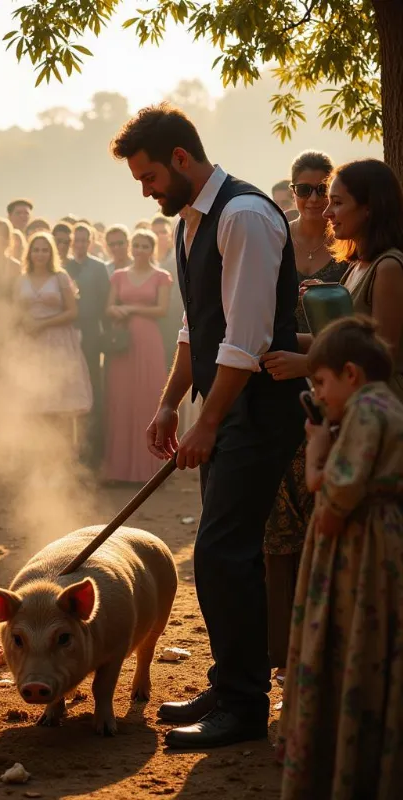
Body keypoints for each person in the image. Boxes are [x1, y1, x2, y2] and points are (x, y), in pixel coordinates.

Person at [111, 102, 306, 747]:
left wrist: (209, 420)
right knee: (223, 557)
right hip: (223, 407)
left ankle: (245, 706)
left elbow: (245, 341)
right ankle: (231, 682)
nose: (145, 190)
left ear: (182, 159)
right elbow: (198, 327)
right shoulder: (189, 221)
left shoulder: (246, 215)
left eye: (149, 177)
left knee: (227, 553)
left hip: (258, 410)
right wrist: (171, 403)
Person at [277, 316, 403, 799]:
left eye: (321, 382)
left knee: (352, 645)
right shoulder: (387, 406)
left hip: (360, 553)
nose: (320, 394)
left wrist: (316, 449)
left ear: (351, 373)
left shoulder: (365, 413)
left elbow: (330, 501)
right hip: (381, 546)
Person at [260, 151, 346, 685]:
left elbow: (362, 333)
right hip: (274, 397)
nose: (314, 199)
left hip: (332, 399)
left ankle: (323, 651)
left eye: (323, 189)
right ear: (291, 191)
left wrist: (300, 352)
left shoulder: (349, 248)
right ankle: (279, 654)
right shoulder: (276, 241)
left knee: (324, 523)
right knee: (276, 533)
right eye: (304, 189)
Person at [323, 159, 403, 399]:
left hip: (380, 408)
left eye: (337, 203)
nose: (327, 213)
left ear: (369, 208)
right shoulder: (357, 265)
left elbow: (380, 356)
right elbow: (337, 340)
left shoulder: (388, 267)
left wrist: (306, 363)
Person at [102, 230, 172, 484]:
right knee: (121, 400)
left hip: (148, 341)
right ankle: (119, 470)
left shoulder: (161, 276)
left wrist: (130, 308)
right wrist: (116, 310)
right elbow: (108, 307)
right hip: (123, 343)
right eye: (137, 245)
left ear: (152, 249)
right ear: (131, 248)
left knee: (147, 399)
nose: (141, 249)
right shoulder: (118, 276)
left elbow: (162, 310)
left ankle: (149, 468)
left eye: (145, 245)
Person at [14, 232, 92, 447]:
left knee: (59, 400)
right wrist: (26, 323)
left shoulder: (60, 277)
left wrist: (43, 323)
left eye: (44, 250)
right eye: (36, 249)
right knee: (33, 400)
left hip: (57, 341)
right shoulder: (21, 279)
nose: (40, 254)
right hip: (30, 343)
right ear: (29, 253)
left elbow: (72, 312)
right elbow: (15, 310)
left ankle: (64, 453)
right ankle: (35, 453)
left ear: (51, 253)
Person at [64, 222, 110, 467]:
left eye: (85, 240)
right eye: (77, 240)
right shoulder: (63, 267)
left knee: (92, 389)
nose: (80, 244)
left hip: (92, 334)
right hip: (67, 334)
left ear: (91, 241)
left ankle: (93, 452)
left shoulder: (99, 268)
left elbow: (105, 303)